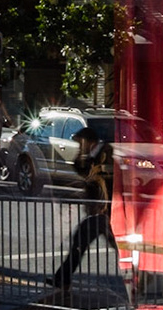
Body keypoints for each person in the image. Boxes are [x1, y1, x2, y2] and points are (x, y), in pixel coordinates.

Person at [47, 121, 116, 294]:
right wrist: (80, 155)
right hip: (97, 212)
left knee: (113, 245)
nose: (78, 146)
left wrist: (103, 205)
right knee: (78, 243)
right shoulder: (90, 155)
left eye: (80, 143)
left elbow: (101, 179)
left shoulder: (105, 153)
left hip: (106, 211)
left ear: (89, 142)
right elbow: (82, 171)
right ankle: (62, 279)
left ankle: (144, 277)